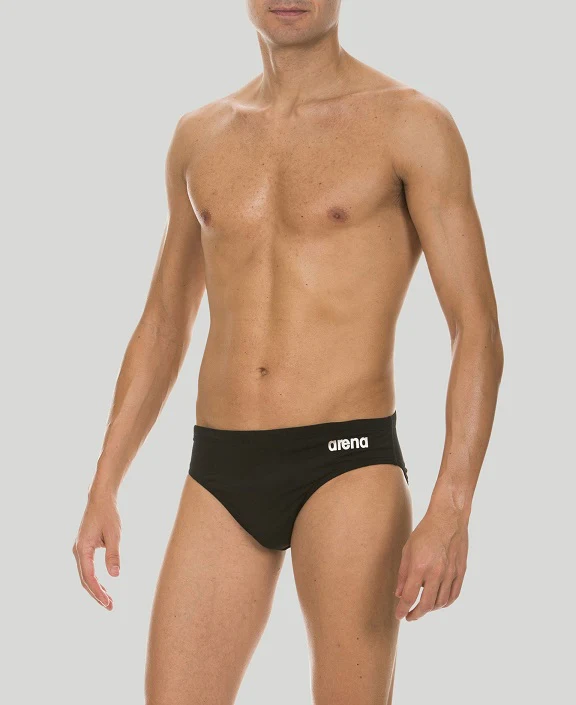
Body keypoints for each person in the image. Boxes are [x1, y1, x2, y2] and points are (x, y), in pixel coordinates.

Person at [72, 1, 504, 703]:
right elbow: (164, 320)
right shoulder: (200, 135)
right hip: (221, 467)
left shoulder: (411, 124)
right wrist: (105, 481)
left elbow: (475, 325)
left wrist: (452, 505)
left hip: (347, 462)